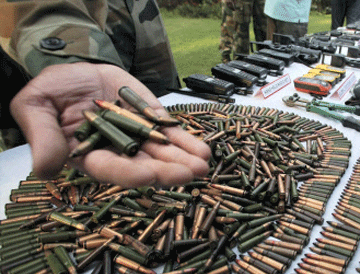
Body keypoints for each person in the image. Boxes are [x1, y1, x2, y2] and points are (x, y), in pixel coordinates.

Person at [1, 0, 211, 188]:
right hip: (56, 31)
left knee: (159, 105)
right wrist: (70, 53)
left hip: (139, 9)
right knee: (50, 153)